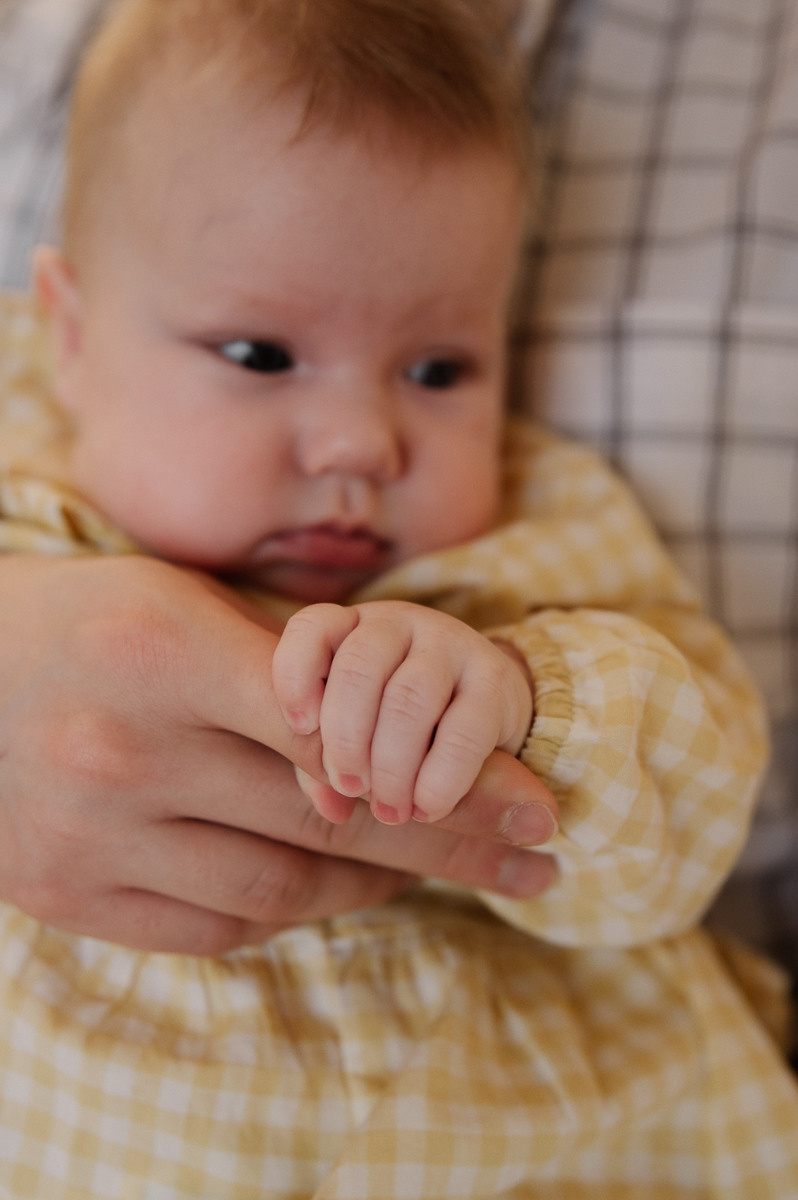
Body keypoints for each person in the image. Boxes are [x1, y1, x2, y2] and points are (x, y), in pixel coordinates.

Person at [0, 0, 797, 1196]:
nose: (361, 442)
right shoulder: (25, 480)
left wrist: (527, 706)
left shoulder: (541, 545)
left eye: (438, 370)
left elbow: (688, 825)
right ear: (68, 336)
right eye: (262, 355)